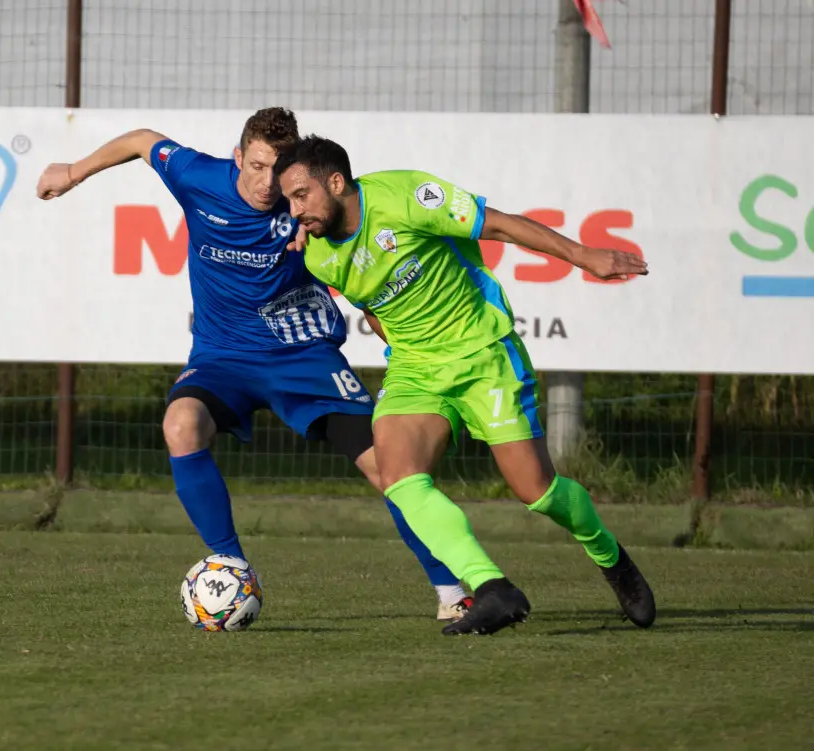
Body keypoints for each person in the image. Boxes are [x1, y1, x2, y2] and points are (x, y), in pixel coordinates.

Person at [36, 108, 473, 621]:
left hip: (304, 356)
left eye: (279, 170)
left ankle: (452, 591)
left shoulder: (306, 203)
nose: (268, 183)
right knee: (180, 425)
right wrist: (73, 172)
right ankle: (232, 568)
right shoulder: (198, 177)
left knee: (390, 469)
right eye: (258, 166)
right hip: (222, 357)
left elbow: (362, 257)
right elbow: (141, 140)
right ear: (238, 157)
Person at [274, 134, 657, 636]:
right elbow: (372, 306)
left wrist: (583, 255)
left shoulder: (405, 196)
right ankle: (492, 587)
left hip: (482, 354)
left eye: (301, 195)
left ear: (336, 181)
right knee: (398, 477)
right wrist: (406, 353)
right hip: (415, 368)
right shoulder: (318, 255)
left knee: (537, 491)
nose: (294, 210)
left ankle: (611, 557)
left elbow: (499, 224)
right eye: (288, 200)